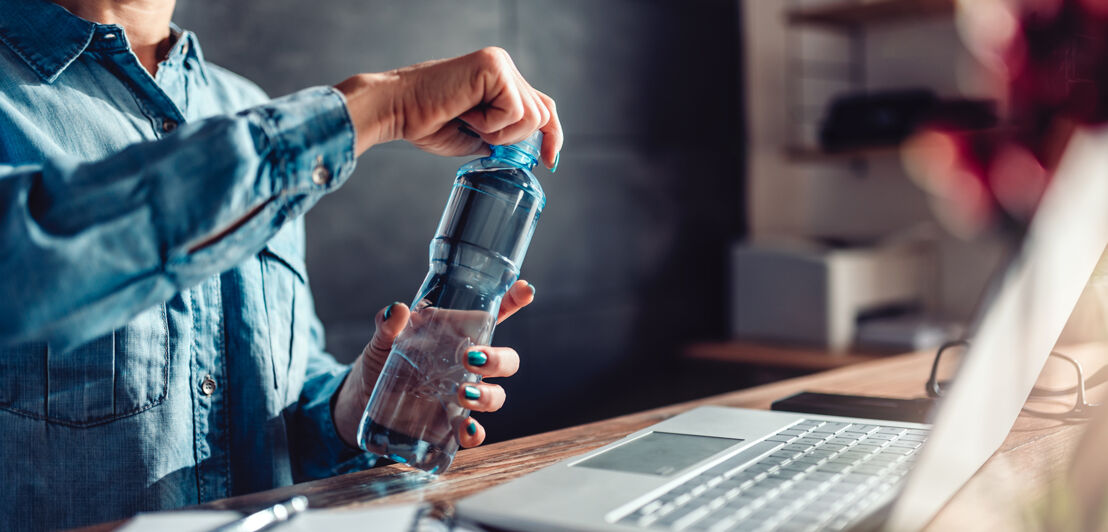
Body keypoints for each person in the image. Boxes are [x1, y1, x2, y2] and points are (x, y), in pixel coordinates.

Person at [0, 0, 563, 529]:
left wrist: (355, 405)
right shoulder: (295, 132)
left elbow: (274, 410)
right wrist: (379, 105)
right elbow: (24, 264)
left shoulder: (246, 107)